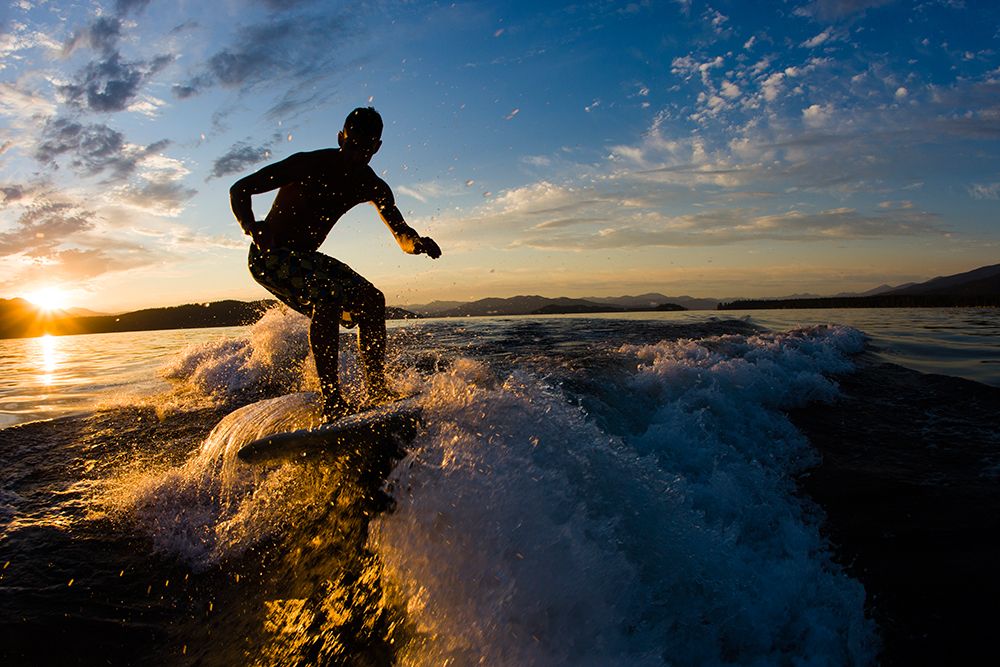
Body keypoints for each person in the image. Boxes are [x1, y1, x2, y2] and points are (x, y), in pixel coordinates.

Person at [230, 107, 441, 422]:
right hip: (269, 255)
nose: (357, 155)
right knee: (327, 294)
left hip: (307, 259)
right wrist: (251, 226)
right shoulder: (308, 164)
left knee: (373, 300)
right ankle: (332, 401)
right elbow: (240, 189)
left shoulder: (371, 185)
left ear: (377, 148)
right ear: (341, 138)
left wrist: (417, 243)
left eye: (366, 149)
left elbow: (401, 234)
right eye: (352, 145)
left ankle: (377, 389)